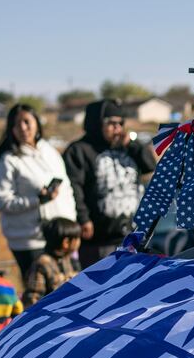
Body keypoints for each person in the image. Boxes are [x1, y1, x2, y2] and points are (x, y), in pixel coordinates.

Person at [63, 99, 157, 267]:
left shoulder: (126, 146)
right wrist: (83, 218)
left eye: (120, 123)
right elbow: (74, 187)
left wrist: (131, 144)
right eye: (111, 123)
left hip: (131, 236)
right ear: (97, 123)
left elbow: (150, 166)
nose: (117, 128)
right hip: (98, 239)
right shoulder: (79, 150)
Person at [0, 103, 76, 282]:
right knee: (39, 295)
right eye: (16, 124)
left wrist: (73, 222)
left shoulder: (50, 151)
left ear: (37, 123)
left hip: (61, 237)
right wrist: (37, 200)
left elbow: (66, 190)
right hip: (30, 240)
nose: (23, 128)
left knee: (67, 292)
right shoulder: (9, 160)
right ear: (10, 129)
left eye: (27, 122)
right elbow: (0, 200)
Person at [24, 216, 82, 306]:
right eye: (77, 238)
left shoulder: (71, 260)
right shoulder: (43, 263)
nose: (79, 242)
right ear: (66, 242)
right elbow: (33, 297)